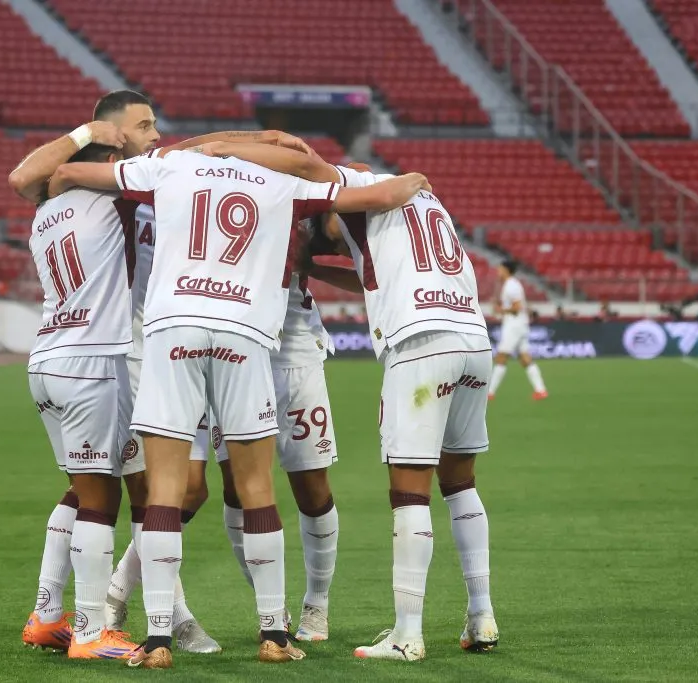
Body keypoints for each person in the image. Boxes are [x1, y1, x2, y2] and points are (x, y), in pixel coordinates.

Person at [49, 147, 427, 668]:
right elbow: (380, 193)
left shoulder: (171, 165)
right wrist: (416, 181)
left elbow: (70, 173)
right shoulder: (282, 185)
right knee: (256, 487)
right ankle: (273, 631)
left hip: (173, 326)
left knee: (164, 486)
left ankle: (157, 637)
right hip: (244, 332)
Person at [10, 90, 315, 654]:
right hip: (123, 348)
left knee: (113, 488)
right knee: (143, 493)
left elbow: (33, 179)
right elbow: (30, 174)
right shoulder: (127, 190)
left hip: (80, 347)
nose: (156, 133)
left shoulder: (62, 199)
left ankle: (56, 610)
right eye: (144, 125)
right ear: (113, 136)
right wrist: (255, 142)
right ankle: (107, 620)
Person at [197, 142, 500, 661]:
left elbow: (299, 161)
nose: (327, 233)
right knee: (461, 484)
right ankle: (482, 615)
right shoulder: (423, 205)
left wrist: (216, 149)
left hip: (421, 347)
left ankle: (407, 634)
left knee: (409, 493)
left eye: (325, 227)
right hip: (472, 341)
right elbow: (367, 275)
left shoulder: (355, 189)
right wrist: (312, 266)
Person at [22, 140, 140, 660]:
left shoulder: (45, 212)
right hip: (91, 361)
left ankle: (47, 616)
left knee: (78, 488)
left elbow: (28, 176)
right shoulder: (114, 198)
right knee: (101, 500)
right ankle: (92, 632)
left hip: (46, 358)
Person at [211, 222, 341, 642]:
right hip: (233, 350)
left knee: (311, 485)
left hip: (295, 351)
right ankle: (271, 605)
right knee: (235, 486)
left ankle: (317, 604)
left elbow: (348, 191)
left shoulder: (295, 183)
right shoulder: (217, 177)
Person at [486, 261, 547, 400]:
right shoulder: (511, 285)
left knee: (501, 356)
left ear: (506, 270)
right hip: (520, 324)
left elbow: (517, 307)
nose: (498, 272)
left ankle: (490, 392)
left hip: (514, 325)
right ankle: (541, 390)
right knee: (525, 358)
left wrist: (500, 309)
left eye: (500, 269)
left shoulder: (511, 286)